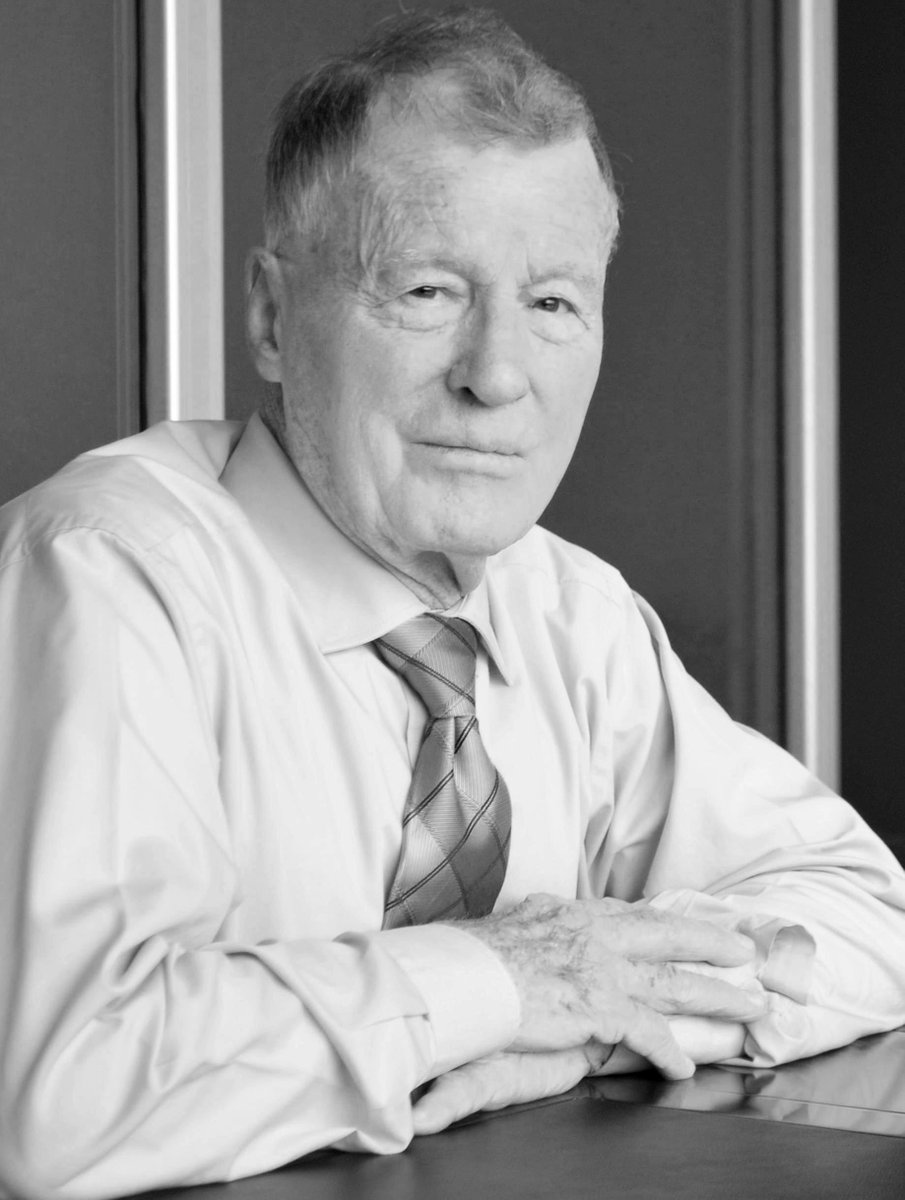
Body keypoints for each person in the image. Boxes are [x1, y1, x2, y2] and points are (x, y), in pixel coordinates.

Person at [0, 7, 903, 1198]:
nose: (496, 375)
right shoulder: (108, 572)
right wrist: (507, 978)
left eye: (552, 304)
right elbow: (67, 1092)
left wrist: (592, 1017)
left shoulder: (568, 611)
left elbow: (865, 912)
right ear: (271, 317)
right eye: (427, 290)